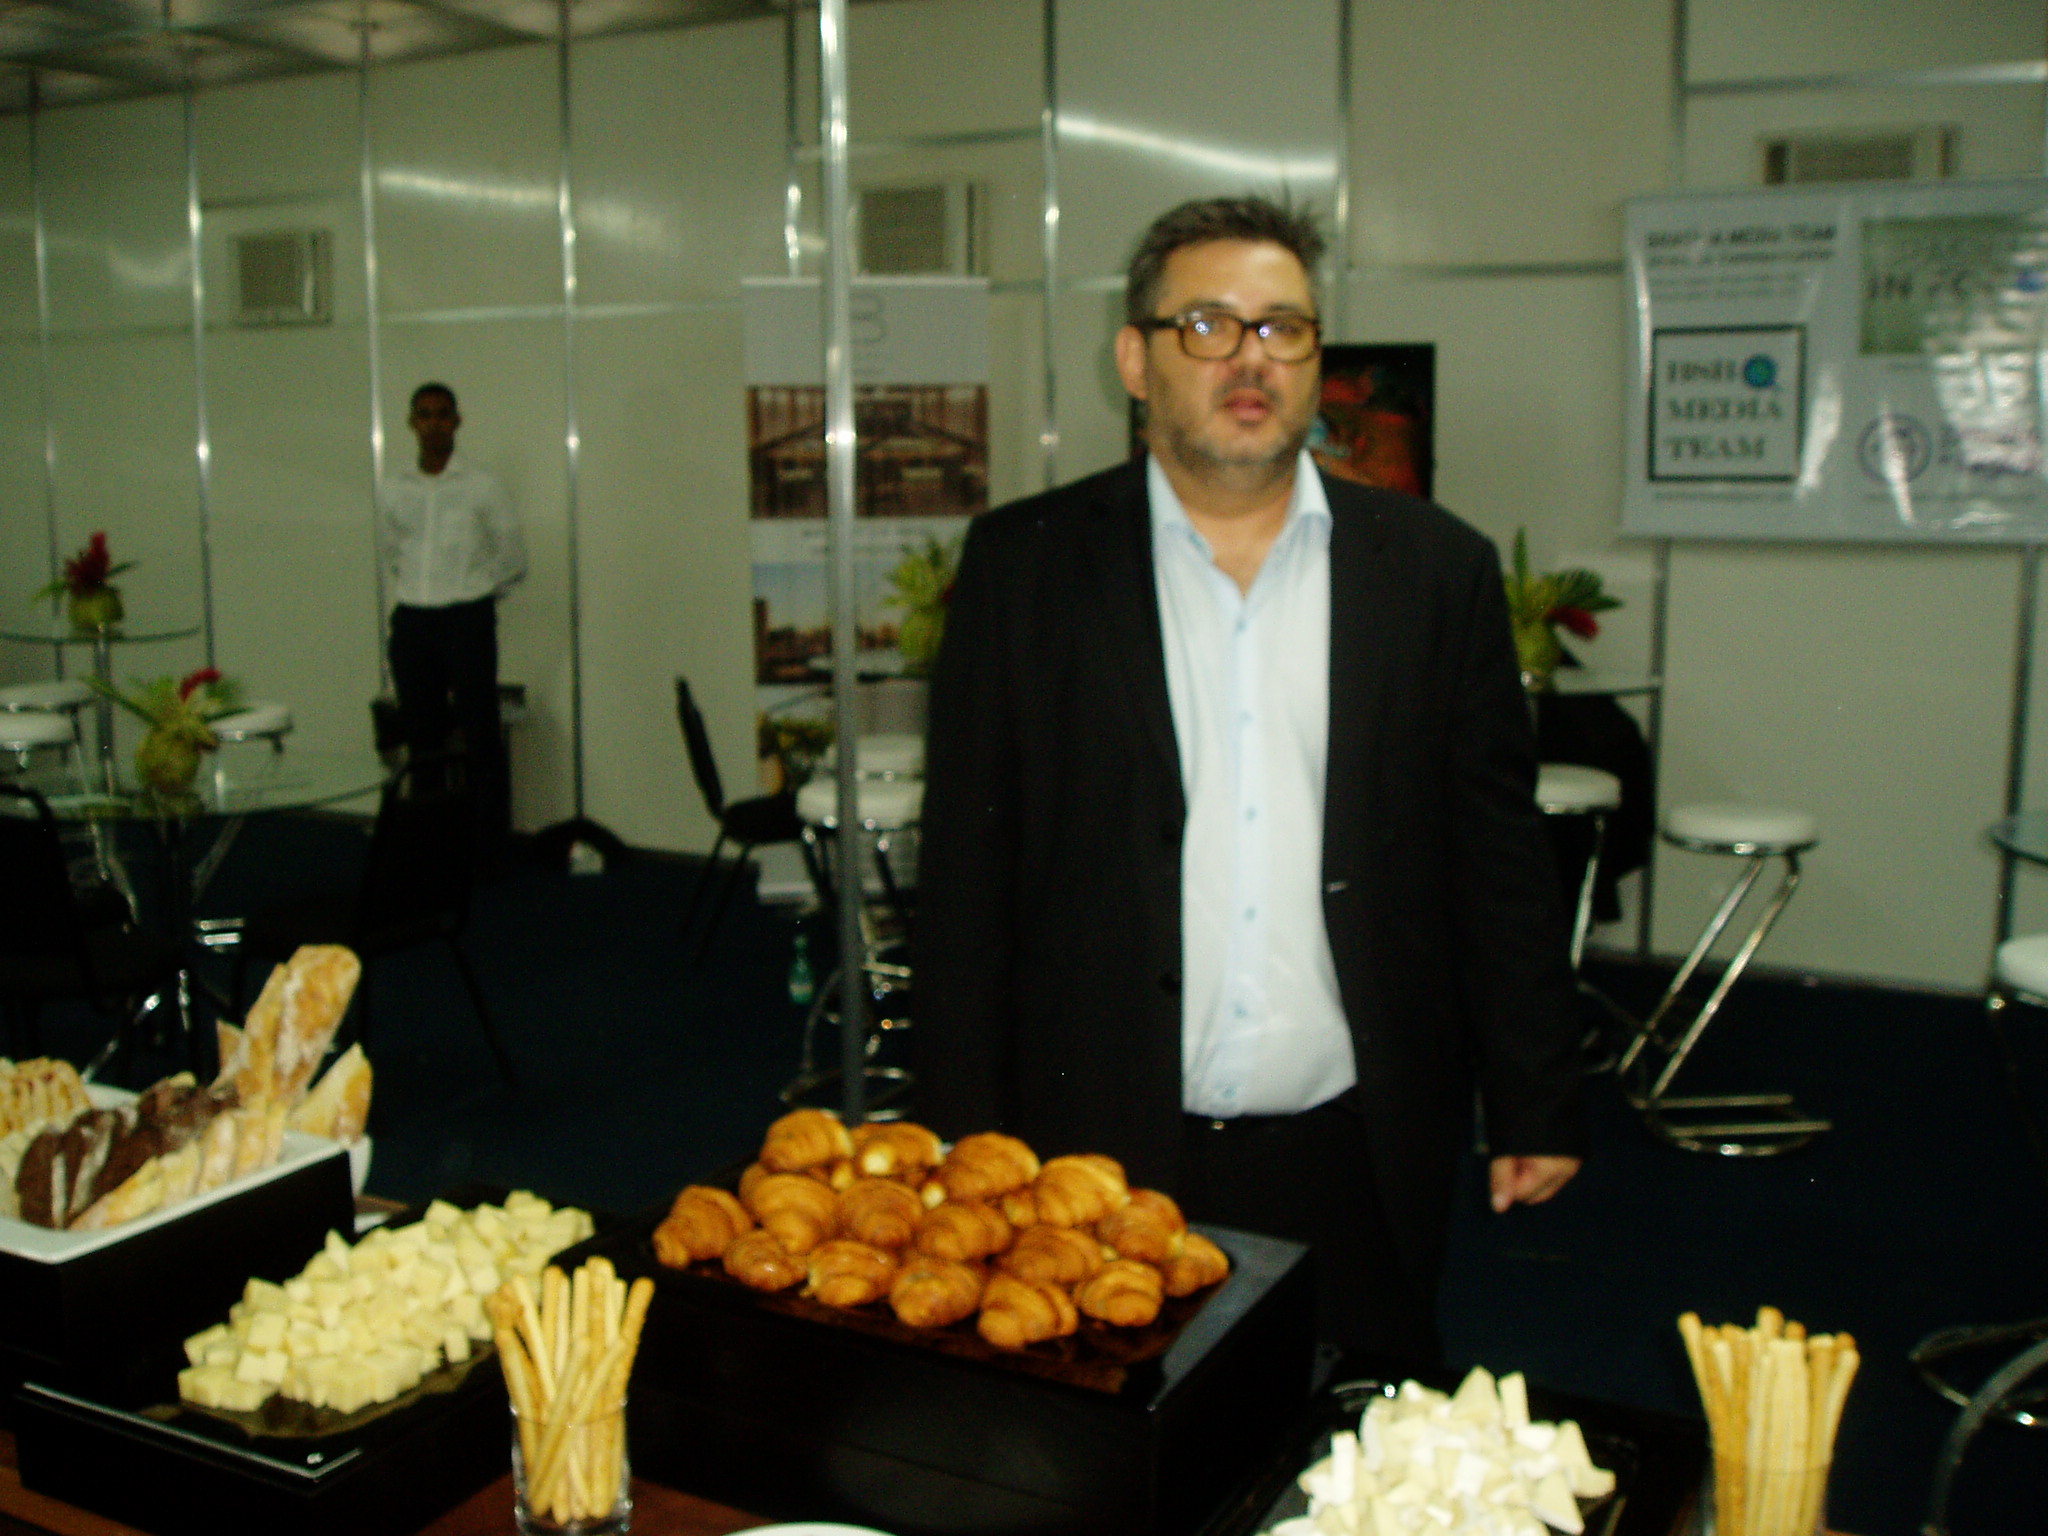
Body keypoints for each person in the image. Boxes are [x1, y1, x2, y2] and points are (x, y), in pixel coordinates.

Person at [913, 197, 1585, 1365]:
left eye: (1282, 328)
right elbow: (967, 877)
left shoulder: (1434, 573)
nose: (1249, 359)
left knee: (1353, 1427)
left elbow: (1495, 855)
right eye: (1207, 326)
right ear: (1134, 360)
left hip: (1355, 1141)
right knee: (1108, 1434)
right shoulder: (1027, 568)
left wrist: (1533, 1093)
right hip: (1098, 1150)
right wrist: (960, 1138)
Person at [378, 382, 525, 859]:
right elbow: (391, 552)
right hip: (413, 624)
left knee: (480, 736)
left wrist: (475, 593)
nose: (434, 423)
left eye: (443, 414)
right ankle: (432, 850)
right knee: (423, 739)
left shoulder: (483, 485)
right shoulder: (395, 487)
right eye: (424, 414)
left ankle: (487, 851)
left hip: (466, 621)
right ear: (412, 423)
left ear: (457, 421)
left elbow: (513, 558)